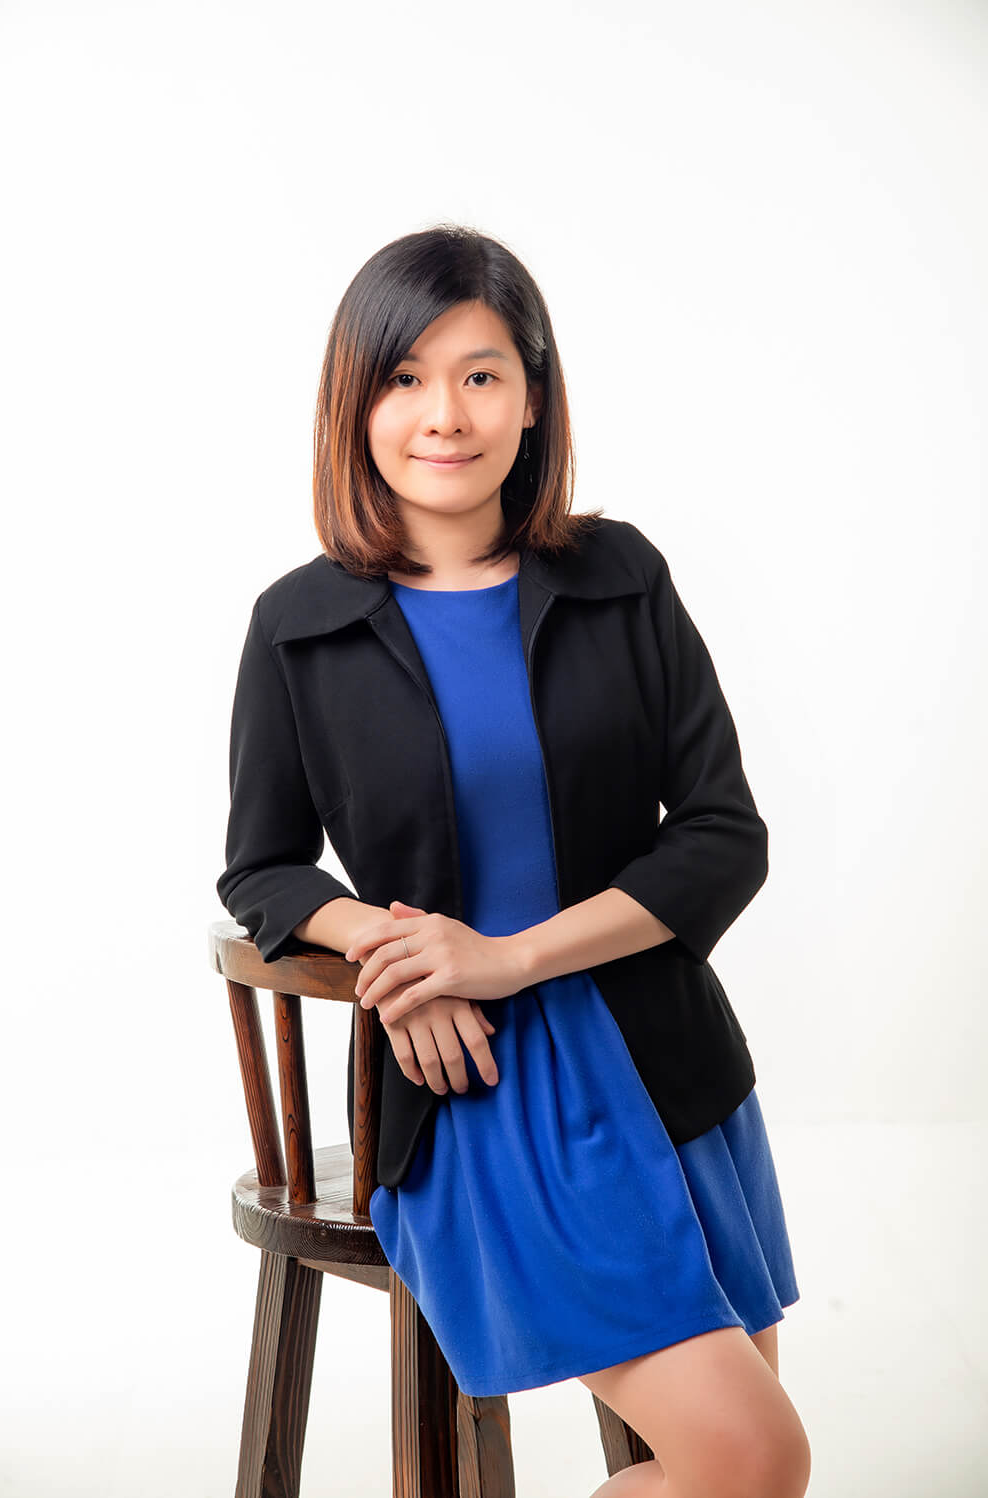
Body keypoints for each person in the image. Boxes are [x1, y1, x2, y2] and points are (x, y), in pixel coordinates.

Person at [217, 224, 811, 1498]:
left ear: (533, 396)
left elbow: (721, 834)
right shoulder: (298, 628)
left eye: (482, 374)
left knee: (738, 1466)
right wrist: (393, 951)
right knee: (755, 1458)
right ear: (355, 401)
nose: (446, 412)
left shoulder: (618, 578)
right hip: (475, 1094)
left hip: (667, 1062)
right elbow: (262, 870)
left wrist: (501, 955)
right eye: (406, 377)